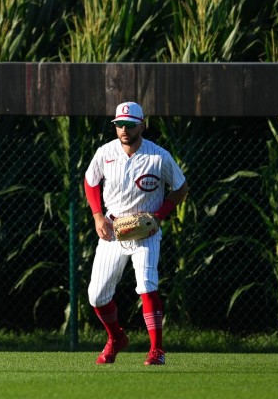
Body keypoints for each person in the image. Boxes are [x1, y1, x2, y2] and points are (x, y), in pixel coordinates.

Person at [83, 100, 189, 366]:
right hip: (113, 229)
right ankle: (116, 337)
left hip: (145, 231)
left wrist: (159, 215)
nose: (124, 130)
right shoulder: (105, 153)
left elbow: (181, 187)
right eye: (119, 124)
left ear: (142, 124)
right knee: (96, 295)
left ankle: (157, 350)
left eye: (130, 125)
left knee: (147, 285)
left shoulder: (158, 156)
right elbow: (90, 181)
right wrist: (97, 215)